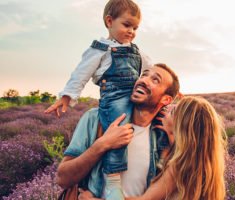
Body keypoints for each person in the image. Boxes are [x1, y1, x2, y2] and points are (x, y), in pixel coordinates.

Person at [44, 0, 161, 199]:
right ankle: (112, 180)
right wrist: (66, 96)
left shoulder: (136, 50)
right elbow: (81, 73)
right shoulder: (100, 48)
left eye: (135, 27)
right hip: (114, 98)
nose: (131, 31)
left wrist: (174, 90)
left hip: (132, 97)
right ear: (109, 21)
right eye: (127, 25)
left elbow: (153, 68)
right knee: (120, 130)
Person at [56, 64, 180, 199]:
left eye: (155, 80)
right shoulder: (95, 119)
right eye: (144, 75)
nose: (143, 80)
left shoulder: (162, 136)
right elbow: (63, 179)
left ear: (166, 99)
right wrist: (102, 144)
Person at [125, 96, 227, 200]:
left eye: (172, 112)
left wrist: (107, 142)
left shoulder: (181, 166)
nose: (166, 109)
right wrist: (170, 135)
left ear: (180, 129)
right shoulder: (201, 164)